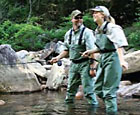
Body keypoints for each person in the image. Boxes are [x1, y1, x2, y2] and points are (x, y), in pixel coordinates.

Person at [82, 6, 128, 114]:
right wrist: (90, 52)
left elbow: (119, 45)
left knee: (109, 92)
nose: (93, 14)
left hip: (113, 58)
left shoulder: (112, 28)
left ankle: (111, 108)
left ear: (103, 14)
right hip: (103, 58)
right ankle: (111, 104)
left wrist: (121, 60)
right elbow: (102, 47)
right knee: (97, 88)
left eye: (96, 12)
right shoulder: (98, 30)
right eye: (93, 12)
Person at [50, 9, 98, 106]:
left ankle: (94, 110)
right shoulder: (68, 34)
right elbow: (66, 50)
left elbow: (93, 51)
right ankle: (70, 110)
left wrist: (93, 68)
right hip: (73, 65)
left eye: (81, 18)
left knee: (88, 92)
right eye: (76, 18)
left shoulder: (87, 33)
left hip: (86, 64)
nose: (79, 20)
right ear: (72, 19)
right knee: (70, 92)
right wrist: (58, 58)